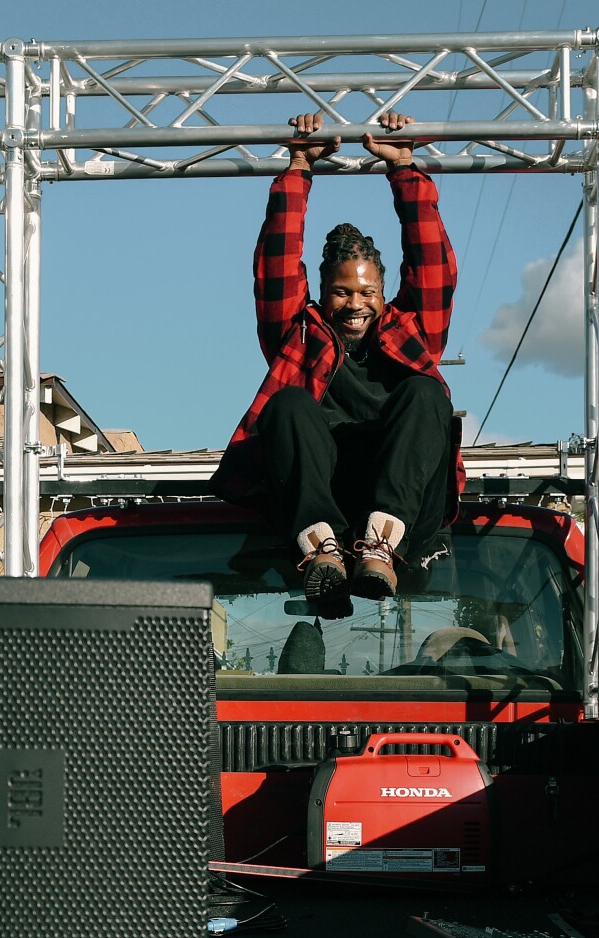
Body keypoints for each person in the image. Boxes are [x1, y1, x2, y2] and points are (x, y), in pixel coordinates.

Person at [211, 111, 462, 619]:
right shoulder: (300, 336)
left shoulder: (413, 332)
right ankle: (322, 552)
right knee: (287, 404)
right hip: (323, 496)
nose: (355, 304)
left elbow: (433, 265)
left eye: (367, 292)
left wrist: (405, 169)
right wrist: (300, 166)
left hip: (404, 497)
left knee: (425, 392)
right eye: (341, 292)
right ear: (321, 295)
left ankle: (382, 546)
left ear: (384, 294)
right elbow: (276, 266)